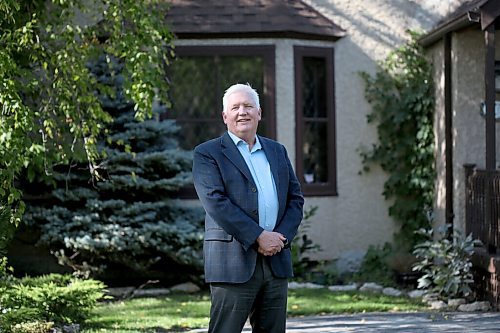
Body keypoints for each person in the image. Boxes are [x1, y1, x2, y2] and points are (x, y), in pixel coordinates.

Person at [192, 83, 304, 333]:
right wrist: (258, 237)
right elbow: (215, 202)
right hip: (232, 263)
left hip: (276, 261)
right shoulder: (207, 153)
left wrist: (280, 239)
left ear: (259, 113)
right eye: (235, 107)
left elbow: (295, 199)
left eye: (248, 106)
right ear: (225, 116)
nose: (242, 112)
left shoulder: (277, 151)